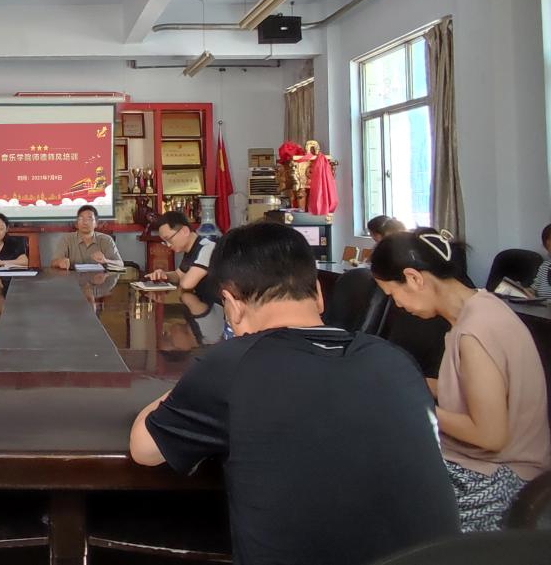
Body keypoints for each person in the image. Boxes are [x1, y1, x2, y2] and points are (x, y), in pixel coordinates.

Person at [130, 222, 460, 565]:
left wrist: (196, 380)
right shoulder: (395, 360)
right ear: (318, 293)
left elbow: (144, 448)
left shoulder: (233, 364)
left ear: (231, 304)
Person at [372, 229, 551, 531]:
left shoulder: (473, 332)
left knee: (376, 503)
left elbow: (490, 435)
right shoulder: (483, 305)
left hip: (502, 477)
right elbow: (478, 390)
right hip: (495, 465)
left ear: (414, 278)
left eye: (393, 294)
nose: (398, 305)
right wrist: (412, 383)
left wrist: (417, 407)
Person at [145, 212, 217, 306]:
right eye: (165, 242)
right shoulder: (190, 249)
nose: (168, 245)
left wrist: (166, 299)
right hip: (199, 302)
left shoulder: (207, 246)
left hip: (217, 308)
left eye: (169, 239)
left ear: (185, 231)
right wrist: (164, 275)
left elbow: (187, 284)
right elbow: (179, 275)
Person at [51, 205, 123, 270]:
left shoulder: (106, 240)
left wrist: (106, 261)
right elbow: (53, 263)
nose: (85, 222)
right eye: (81, 219)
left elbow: (120, 264)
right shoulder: (66, 239)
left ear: (96, 223)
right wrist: (59, 262)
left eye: (89, 219)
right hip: (73, 279)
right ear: (76, 223)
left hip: (100, 279)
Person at [530, 223, 551, 299]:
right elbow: (534, 289)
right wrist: (521, 290)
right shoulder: (545, 266)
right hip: (540, 305)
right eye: (547, 242)